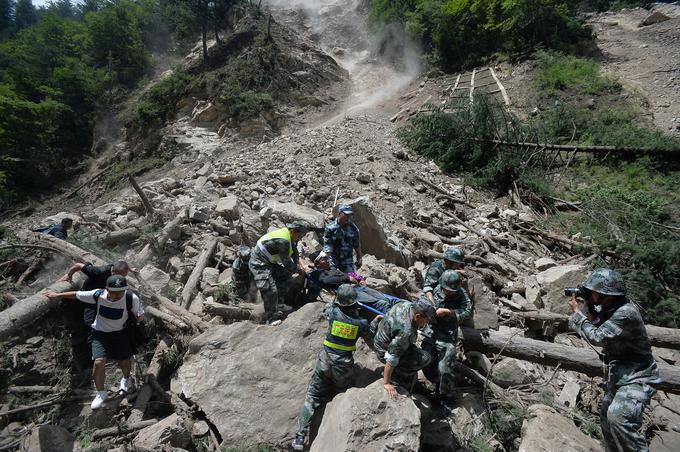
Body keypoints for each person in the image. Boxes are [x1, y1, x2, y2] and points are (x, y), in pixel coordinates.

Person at [568, 268, 660, 452]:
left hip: (638, 378)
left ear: (605, 295)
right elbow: (597, 323)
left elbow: (598, 337)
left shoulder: (625, 313)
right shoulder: (610, 308)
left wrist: (578, 314)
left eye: (593, 291)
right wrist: (588, 312)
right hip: (619, 376)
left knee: (618, 418)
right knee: (608, 423)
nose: (590, 294)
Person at [291, 284, 380, 451]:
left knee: (312, 397)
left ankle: (299, 436)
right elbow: (372, 341)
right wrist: (374, 323)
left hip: (324, 361)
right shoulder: (361, 323)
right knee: (342, 395)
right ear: (354, 303)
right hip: (343, 367)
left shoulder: (333, 313)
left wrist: (335, 300)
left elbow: (328, 308)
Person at [45, 275, 145, 409]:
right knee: (98, 362)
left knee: (124, 362)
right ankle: (101, 393)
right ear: (107, 289)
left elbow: (139, 316)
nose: (116, 296)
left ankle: (126, 379)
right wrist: (57, 294)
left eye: (120, 292)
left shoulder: (131, 298)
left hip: (121, 334)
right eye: (113, 293)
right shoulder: (98, 295)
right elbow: (77, 294)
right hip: (100, 334)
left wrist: (138, 318)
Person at [58, 260, 137, 375]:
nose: (121, 279)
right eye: (121, 276)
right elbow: (78, 265)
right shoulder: (99, 272)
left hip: (106, 300)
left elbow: (122, 264)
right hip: (91, 299)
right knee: (89, 324)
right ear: (113, 272)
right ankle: (92, 353)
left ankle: (109, 350)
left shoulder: (118, 271)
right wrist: (68, 275)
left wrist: (131, 270)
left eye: (124, 276)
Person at [422, 270, 472, 409]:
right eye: (446, 289)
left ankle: (445, 398)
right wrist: (429, 304)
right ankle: (434, 384)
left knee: (445, 368)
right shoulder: (437, 289)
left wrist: (448, 312)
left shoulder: (462, 294)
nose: (448, 292)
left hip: (447, 336)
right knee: (425, 360)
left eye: (451, 290)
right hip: (431, 332)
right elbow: (422, 299)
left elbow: (467, 312)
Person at [249, 220, 312, 323]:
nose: (300, 239)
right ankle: (271, 319)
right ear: (293, 231)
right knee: (270, 289)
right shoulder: (283, 240)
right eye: (300, 236)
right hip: (259, 261)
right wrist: (297, 269)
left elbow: (294, 252)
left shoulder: (290, 236)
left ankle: (279, 304)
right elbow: (286, 263)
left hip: (270, 260)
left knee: (286, 277)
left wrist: (297, 265)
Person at [373, 298, 436, 399]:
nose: (428, 322)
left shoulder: (406, 304)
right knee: (425, 358)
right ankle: (398, 377)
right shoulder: (405, 332)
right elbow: (391, 357)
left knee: (413, 349)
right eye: (427, 319)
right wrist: (386, 383)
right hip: (384, 350)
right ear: (418, 316)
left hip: (381, 339)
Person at [323, 204, 362, 273]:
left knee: (352, 279)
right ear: (340, 214)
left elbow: (356, 244)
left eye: (350, 215)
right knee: (333, 279)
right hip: (334, 259)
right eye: (346, 215)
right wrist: (326, 260)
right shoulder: (330, 228)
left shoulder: (353, 228)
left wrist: (359, 257)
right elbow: (328, 245)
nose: (348, 217)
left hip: (348, 260)